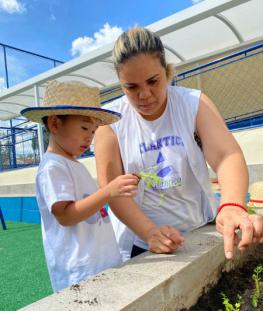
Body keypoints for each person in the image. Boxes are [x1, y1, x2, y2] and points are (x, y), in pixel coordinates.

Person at [95, 27, 263, 262]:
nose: (144, 95)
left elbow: (226, 155)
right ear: (121, 84)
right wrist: (150, 232)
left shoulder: (193, 103)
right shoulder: (109, 121)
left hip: (198, 226)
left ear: (166, 71)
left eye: (153, 81)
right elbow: (113, 191)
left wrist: (232, 203)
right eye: (131, 87)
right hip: (142, 241)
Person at [20, 80, 139, 292]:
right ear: (55, 124)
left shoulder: (72, 163)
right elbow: (65, 216)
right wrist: (109, 191)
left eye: (93, 131)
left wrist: (111, 192)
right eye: (84, 127)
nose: (90, 137)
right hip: (81, 272)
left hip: (99, 263)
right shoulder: (52, 167)